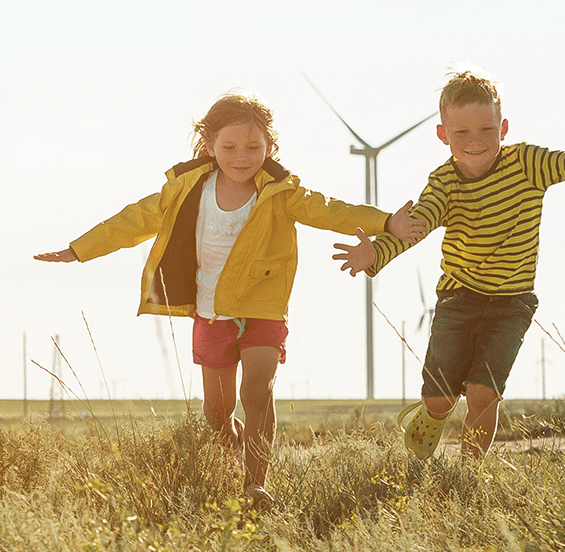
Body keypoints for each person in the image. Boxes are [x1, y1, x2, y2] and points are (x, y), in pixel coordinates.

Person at [35, 90, 427, 506]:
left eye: (254, 147)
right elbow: (133, 219)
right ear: (209, 146)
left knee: (256, 392)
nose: (242, 156)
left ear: (270, 147)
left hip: (263, 309)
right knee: (217, 415)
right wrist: (80, 249)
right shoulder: (187, 188)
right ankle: (238, 448)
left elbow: (330, 210)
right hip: (211, 313)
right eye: (230, 147)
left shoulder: (281, 192)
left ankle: (256, 484)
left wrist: (385, 221)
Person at [332, 68, 565, 459]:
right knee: (441, 399)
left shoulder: (528, 163)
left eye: (486, 130)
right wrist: (376, 252)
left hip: (512, 302)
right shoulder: (444, 182)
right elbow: (417, 225)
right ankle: (432, 413)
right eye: (462, 134)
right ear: (443, 135)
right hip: (458, 298)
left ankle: (469, 471)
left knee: (483, 393)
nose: (476, 141)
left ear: (503, 128)